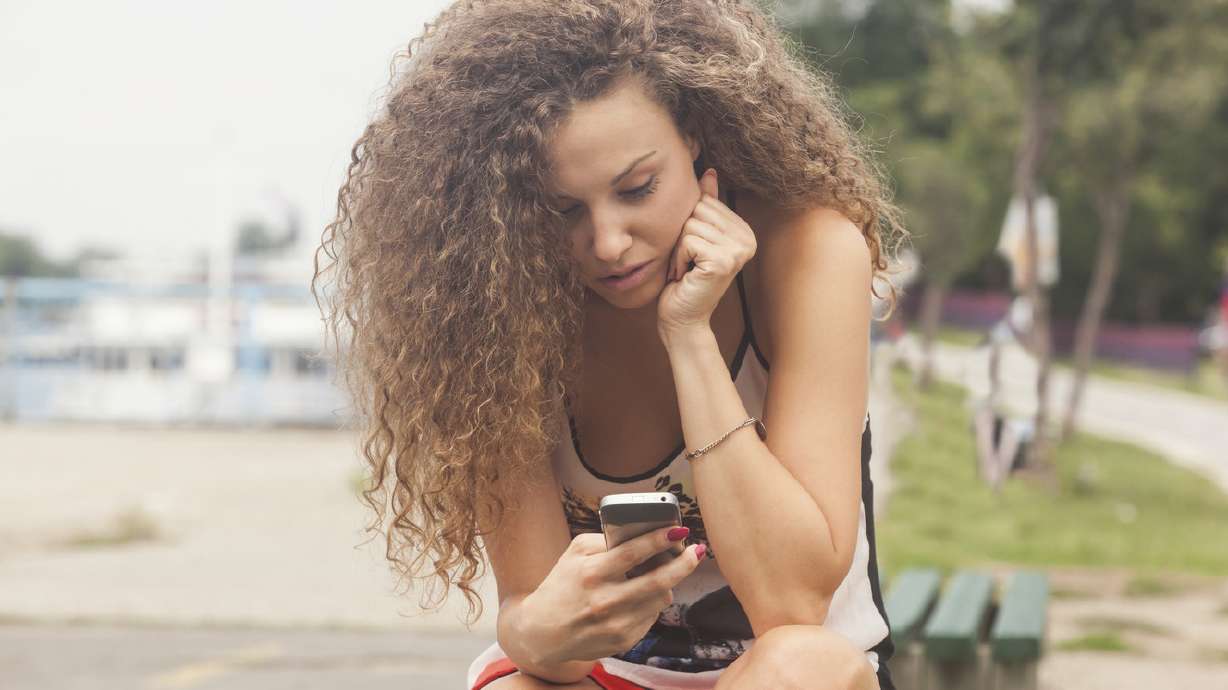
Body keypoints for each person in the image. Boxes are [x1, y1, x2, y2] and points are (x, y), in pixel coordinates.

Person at [313, 2, 907, 688]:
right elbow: (545, 642)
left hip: (798, 672)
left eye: (637, 189)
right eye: (562, 210)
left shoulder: (807, 251)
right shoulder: (497, 318)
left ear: (695, 135)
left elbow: (791, 606)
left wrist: (688, 335)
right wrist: (539, 626)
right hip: (607, 675)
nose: (608, 243)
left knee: (800, 666)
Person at [964, 297, 1039, 490]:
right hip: (1014, 404)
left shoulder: (1003, 336)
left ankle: (992, 469)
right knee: (1003, 428)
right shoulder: (1030, 343)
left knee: (988, 422)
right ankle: (997, 473)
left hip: (1006, 401)